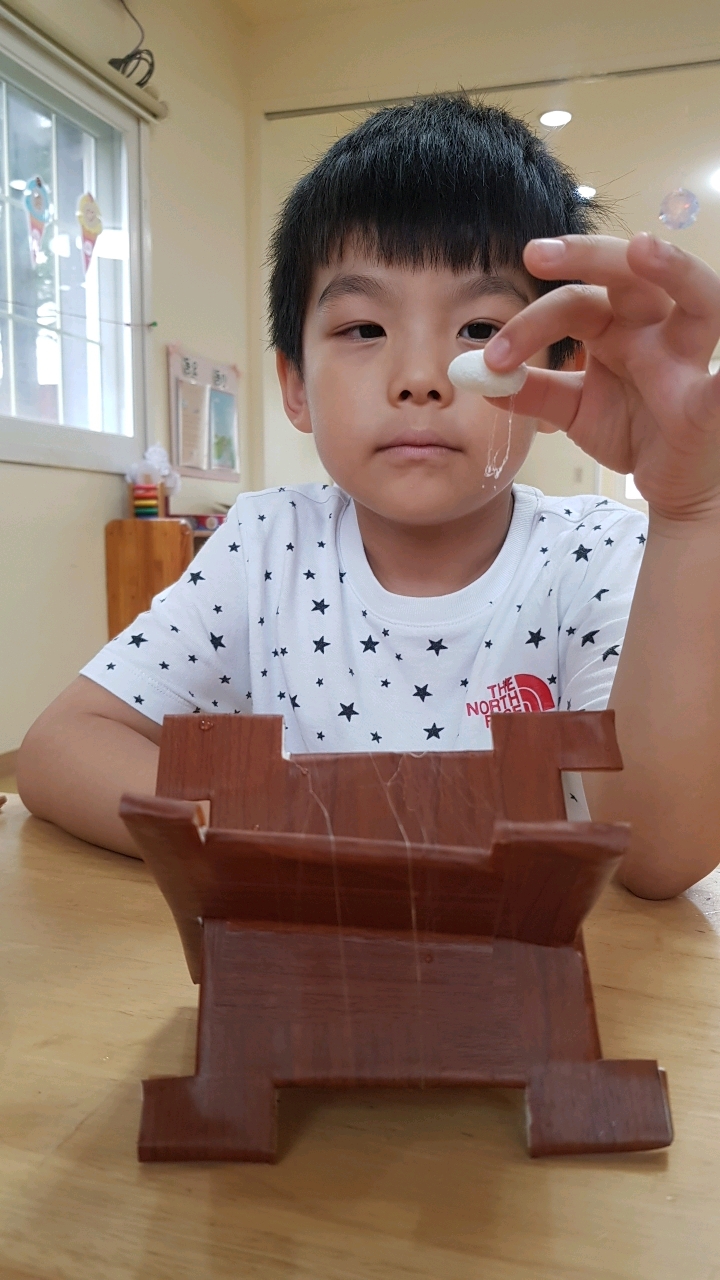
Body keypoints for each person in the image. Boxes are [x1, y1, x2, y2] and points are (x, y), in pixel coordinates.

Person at [17, 95, 720, 899]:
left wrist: (691, 515)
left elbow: (657, 855)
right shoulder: (266, 545)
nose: (419, 378)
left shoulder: (595, 555)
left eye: (481, 330)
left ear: (561, 366)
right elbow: (61, 747)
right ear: (295, 385)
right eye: (363, 329)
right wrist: (297, 836)